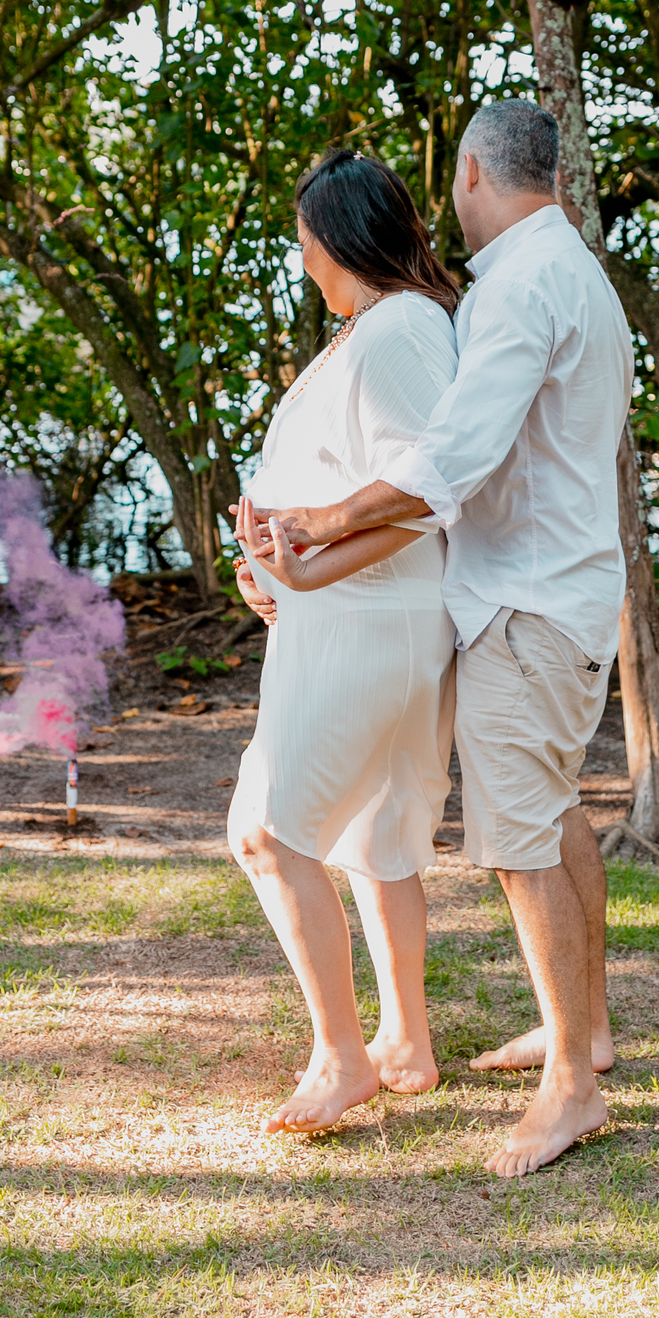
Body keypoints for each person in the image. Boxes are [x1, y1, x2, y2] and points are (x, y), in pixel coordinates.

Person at [244, 99, 634, 1178]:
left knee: (518, 845)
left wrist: (315, 530)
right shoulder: (576, 275)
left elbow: (449, 458)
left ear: (470, 174)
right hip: (558, 592)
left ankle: (570, 1090)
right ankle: (585, 1033)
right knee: (553, 819)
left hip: (525, 601)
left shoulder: (520, 283)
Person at [227, 148, 461, 1136]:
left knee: (266, 831)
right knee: (377, 836)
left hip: (372, 619)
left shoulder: (402, 328)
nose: (299, 256)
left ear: (332, 235)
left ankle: (340, 1058)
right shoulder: (373, 328)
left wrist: (311, 560)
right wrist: (273, 572)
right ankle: (404, 1043)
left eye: (302, 237)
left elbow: (431, 484)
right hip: (351, 617)